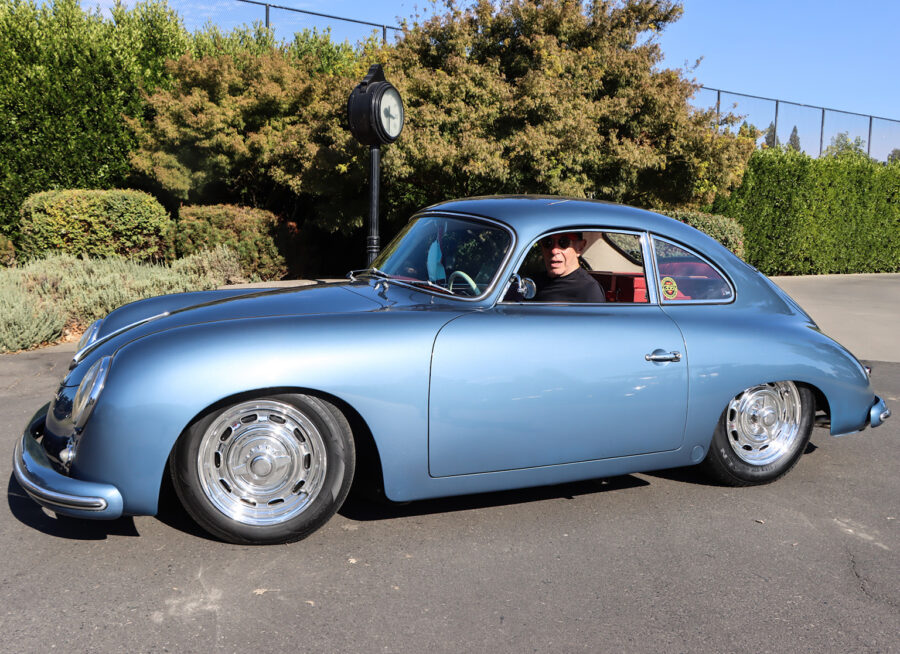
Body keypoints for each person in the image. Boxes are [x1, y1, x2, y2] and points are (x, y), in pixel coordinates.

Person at [533, 232, 606, 302]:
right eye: (547, 242)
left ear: (580, 248)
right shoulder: (532, 283)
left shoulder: (589, 289)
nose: (554, 251)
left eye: (563, 242)